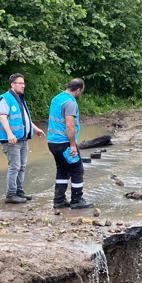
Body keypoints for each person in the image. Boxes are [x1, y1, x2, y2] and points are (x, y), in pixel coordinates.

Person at [0, 73, 45, 203]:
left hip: (22, 139)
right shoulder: (5, 98)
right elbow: (3, 117)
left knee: (22, 166)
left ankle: (19, 191)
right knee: (15, 166)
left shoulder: (20, 99)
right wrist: (10, 134)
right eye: (20, 83)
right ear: (12, 84)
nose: (23, 85)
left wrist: (35, 129)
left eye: (23, 83)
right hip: (12, 140)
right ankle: (11, 195)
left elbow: (25, 119)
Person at [47, 78, 91, 209]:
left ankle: (59, 201)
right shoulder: (70, 102)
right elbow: (70, 125)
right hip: (64, 143)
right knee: (77, 170)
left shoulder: (56, 98)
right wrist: (72, 145)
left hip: (52, 142)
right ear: (78, 90)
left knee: (62, 170)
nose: (80, 94)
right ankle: (76, 200)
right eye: (81, 91)